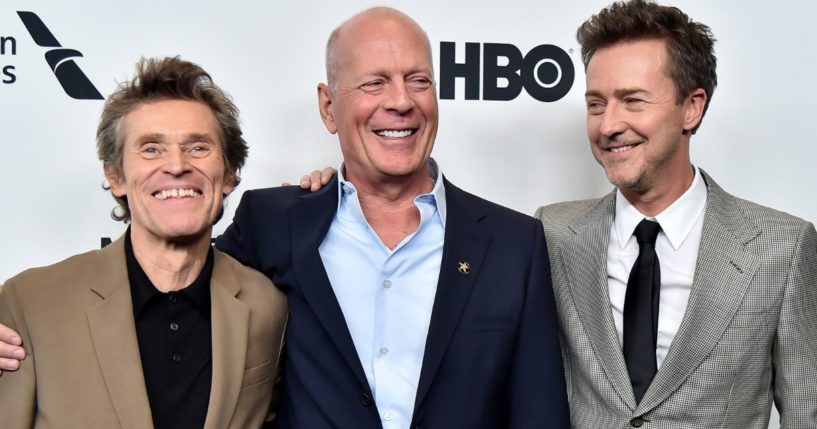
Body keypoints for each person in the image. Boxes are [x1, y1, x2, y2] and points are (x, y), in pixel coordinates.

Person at [1, 7, 568, 429]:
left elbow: (538, 411)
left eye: (418, 80)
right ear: (329, 107)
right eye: (374, 83)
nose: (401, 101)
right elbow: (168, 276)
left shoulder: (516, 244)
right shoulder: (276, 223)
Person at [534, 1, 817, 428]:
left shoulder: (784, 247)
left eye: (633, 101)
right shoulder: (550, 233)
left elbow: (806, 413)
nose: (608, 124)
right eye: (596, 104)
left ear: (692, 108)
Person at [0, 57, 287, 428]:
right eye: (151, 149)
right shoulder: (31, 302)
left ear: (230, 172)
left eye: (198, 147)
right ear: (115, 175)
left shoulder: (266, 304)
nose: (176, 165)